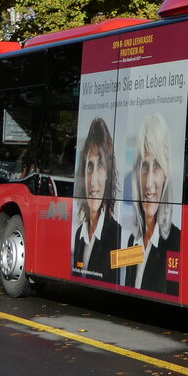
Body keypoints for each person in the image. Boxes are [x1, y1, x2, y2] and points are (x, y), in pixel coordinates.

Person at [119, 112, 180, 295]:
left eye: (157, 166)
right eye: (144, 167)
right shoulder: (133, 240)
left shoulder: (176, 241)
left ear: (166, 174)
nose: (149, 182)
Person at [72, 117, 121, 281]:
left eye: (100, 166)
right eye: (89, 166)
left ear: (108, 173)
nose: (93, 181)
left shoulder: (117, 235)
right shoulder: (80, 234)